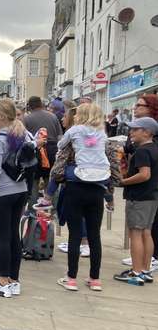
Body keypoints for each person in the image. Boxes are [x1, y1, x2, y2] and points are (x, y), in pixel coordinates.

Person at [53, 104, 111, 292]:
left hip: (77, 184)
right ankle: (95, 279)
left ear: (80, 115)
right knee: (94, 235)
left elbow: (61, 146)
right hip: (98, 185)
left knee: (75, 235)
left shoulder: (75, 130)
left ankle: (71, 278)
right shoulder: (102, 133)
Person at [0, 99, 31, 298]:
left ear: (1, 117)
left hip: (1, 192)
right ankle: (13, 281)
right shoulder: (22, 135)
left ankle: (2, 281)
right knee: (13, 235)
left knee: (2, 236)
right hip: (21, 190)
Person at [115, 117, 158, 285]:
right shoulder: (155, 148)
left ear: (146, 132)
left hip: (139, 197)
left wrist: (123, 182)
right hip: (152, 196)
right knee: (147, 232)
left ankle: (136, 271)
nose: (131, 132)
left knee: (136, 234)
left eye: (135, 129)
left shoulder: (142, 151)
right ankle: (145, 270)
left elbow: (144, 174)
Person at [23, 96, 63, 203]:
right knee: (51, 182)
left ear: (29, 106)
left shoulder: (26, 119)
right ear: (41, 104)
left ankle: (32, 213)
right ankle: (53, 212)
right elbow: (60, 136)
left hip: (34, 151)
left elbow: (23, 139)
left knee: (33, 184)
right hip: (51, 150)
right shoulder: (53, 117)